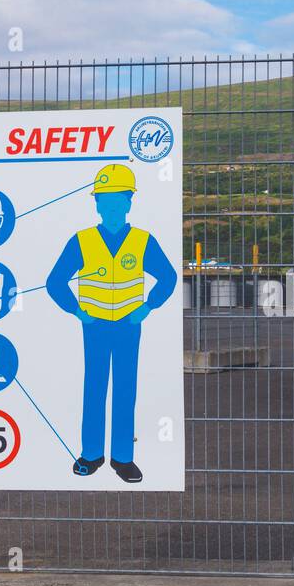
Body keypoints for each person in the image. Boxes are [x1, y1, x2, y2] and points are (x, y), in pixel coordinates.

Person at [46, 164, 177, 481]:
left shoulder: (143, 241)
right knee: (94, 388)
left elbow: (169, 277)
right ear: (97, 203)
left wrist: (147, 308)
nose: (113, 205)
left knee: (125, 390)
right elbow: (54, 282)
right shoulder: (83, 241)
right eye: (106, 199)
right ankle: (91, 455)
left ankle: (122, 458)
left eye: (119, 198)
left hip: (128, 326)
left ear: (130, 201)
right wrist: (78, 311)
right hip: (96, 326)